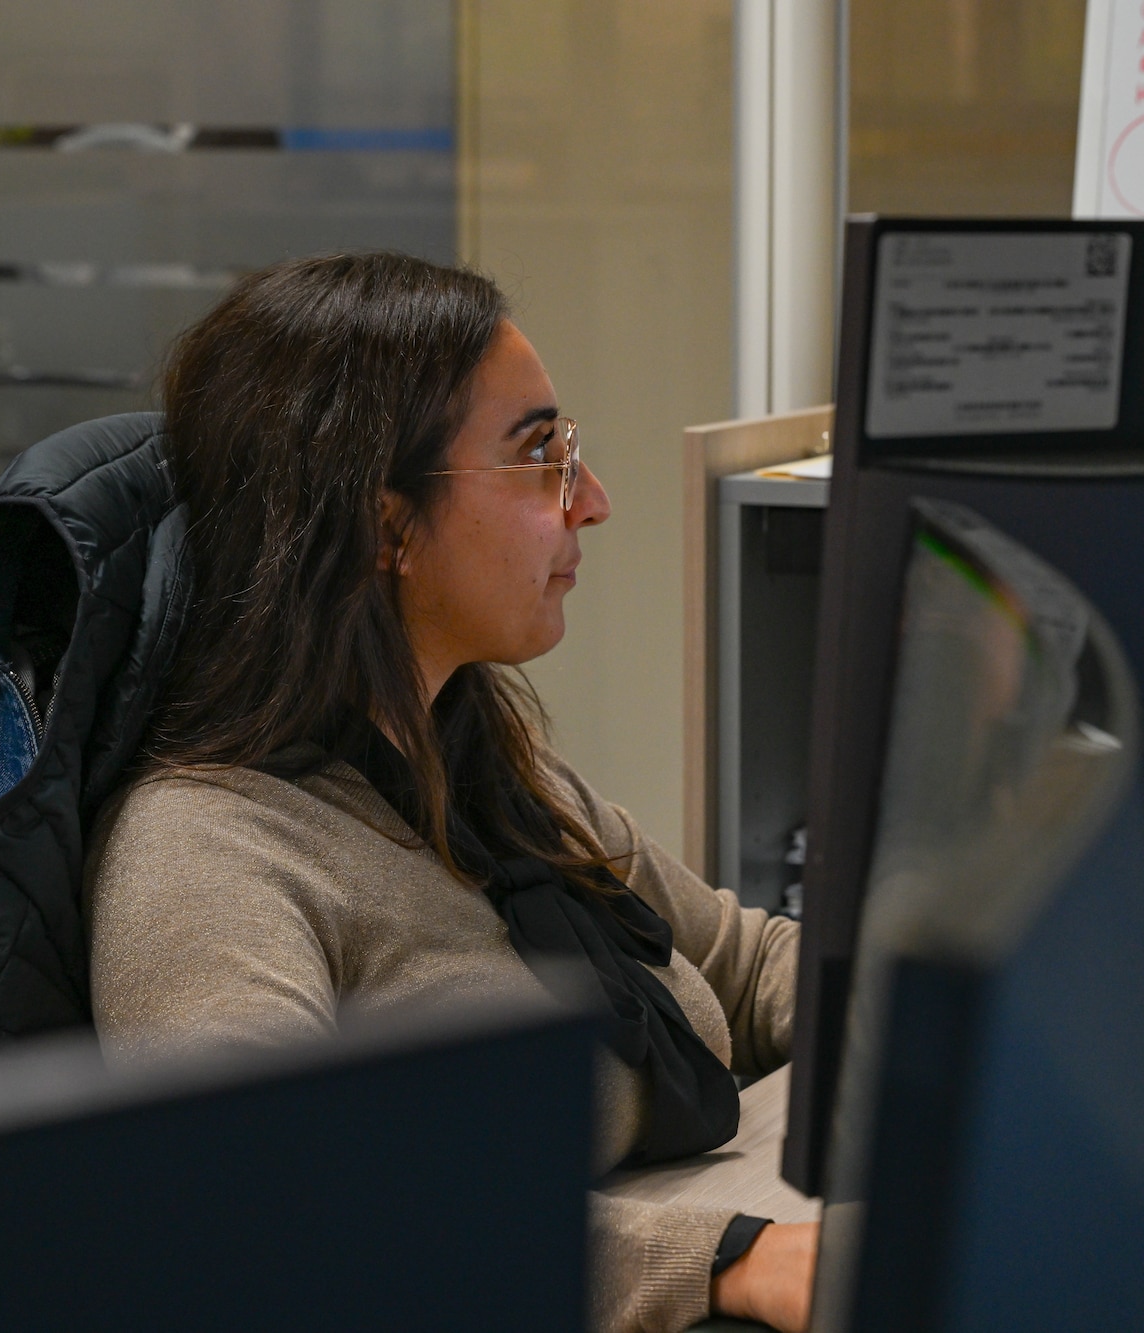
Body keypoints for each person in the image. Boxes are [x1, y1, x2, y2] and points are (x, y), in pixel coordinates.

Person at [82, 252, 816, 1333]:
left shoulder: (485, 772)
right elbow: (271, 1214)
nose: (595, 503)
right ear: (383, 529)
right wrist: (727, 1261)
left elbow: (745, 970)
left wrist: (942, 1031)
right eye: (541, 459)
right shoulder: (203, 852)